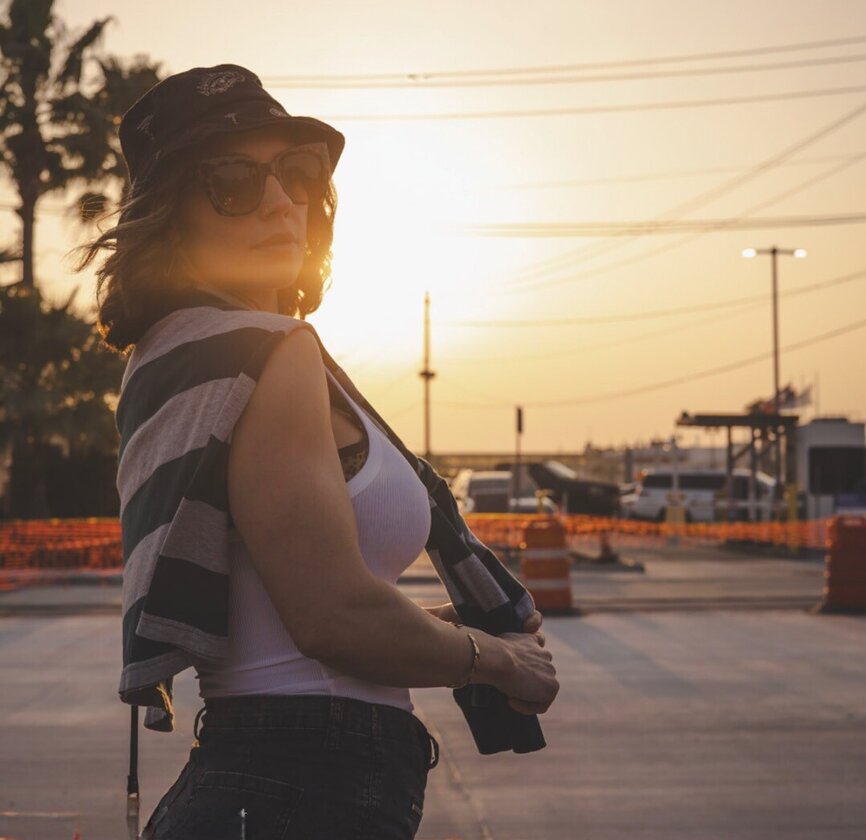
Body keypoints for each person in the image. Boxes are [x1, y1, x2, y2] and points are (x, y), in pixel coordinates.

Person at [74, 63, 558, 839]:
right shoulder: (270, 351)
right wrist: (495, 659)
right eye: (234, 182)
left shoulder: (173, 358)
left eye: (297, 173)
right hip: (305, 788)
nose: (280, 201)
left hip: (255, 780)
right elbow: (330, 618)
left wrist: (437, 628)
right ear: (172, 215)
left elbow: (274, 606)